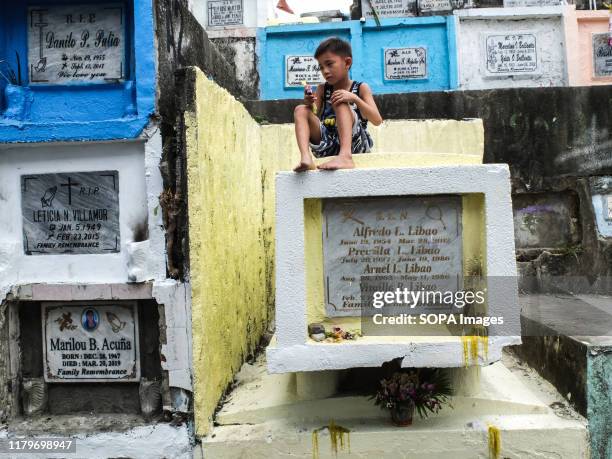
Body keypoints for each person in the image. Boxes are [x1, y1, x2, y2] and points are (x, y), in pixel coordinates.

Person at [293, 37, 383, 172]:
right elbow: (314, 114)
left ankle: (345, 157)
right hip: (328, 146)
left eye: (329, 64)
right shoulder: (323, 89)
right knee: (300, 109)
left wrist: (354, 99)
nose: (325, 71)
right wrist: (309, 103)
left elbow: (377, 120)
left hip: (355, 146)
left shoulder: (360, 88)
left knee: (340, 101)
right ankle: (306, 158)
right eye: (321, 67)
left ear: (347, 63)